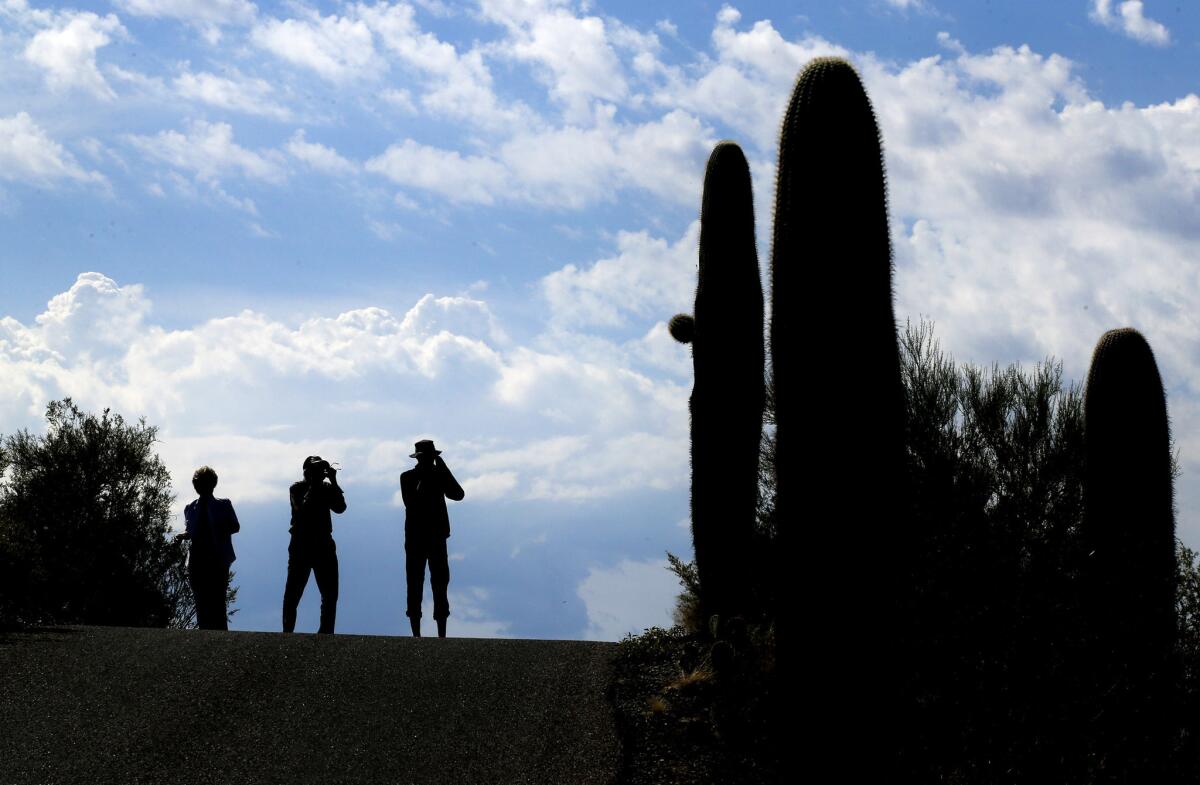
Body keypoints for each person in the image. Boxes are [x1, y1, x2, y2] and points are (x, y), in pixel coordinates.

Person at [400, 440, 464, 638]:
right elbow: (410, 502)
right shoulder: (408, 477)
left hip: (436, 537)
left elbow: (458, 494)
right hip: (416, 538)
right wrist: (427, 478)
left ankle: (441, 634)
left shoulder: (439, 476)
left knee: (440, 582)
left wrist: (444, 468)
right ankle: (416, 635)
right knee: (414, 583)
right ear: (420, 458)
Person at [282, 455, 347, 634]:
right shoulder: (297, 488)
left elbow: (341, 507)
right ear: (306, 472)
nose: (319, 473)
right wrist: (315, 485)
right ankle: (287, 633)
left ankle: (326, 633)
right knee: (293, 593)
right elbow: (301, 509)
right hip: (301, 544)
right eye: (315, 469)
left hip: (323, 543)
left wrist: (333, 481)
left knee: (330, 594)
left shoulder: (326, 488)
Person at [178, 466, 239, 630]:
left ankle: (219, 638)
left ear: (213, 484)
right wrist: (182, 535)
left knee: (217, 600)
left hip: (217, 558)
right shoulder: (190, 507)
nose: (200, 486)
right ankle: (203, 637)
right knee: (200, 600)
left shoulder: (224, 504)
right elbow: (190, 530)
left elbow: (235, 526)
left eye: (204, 483)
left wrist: (218, 526)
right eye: (197, 483)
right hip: (197, 559)